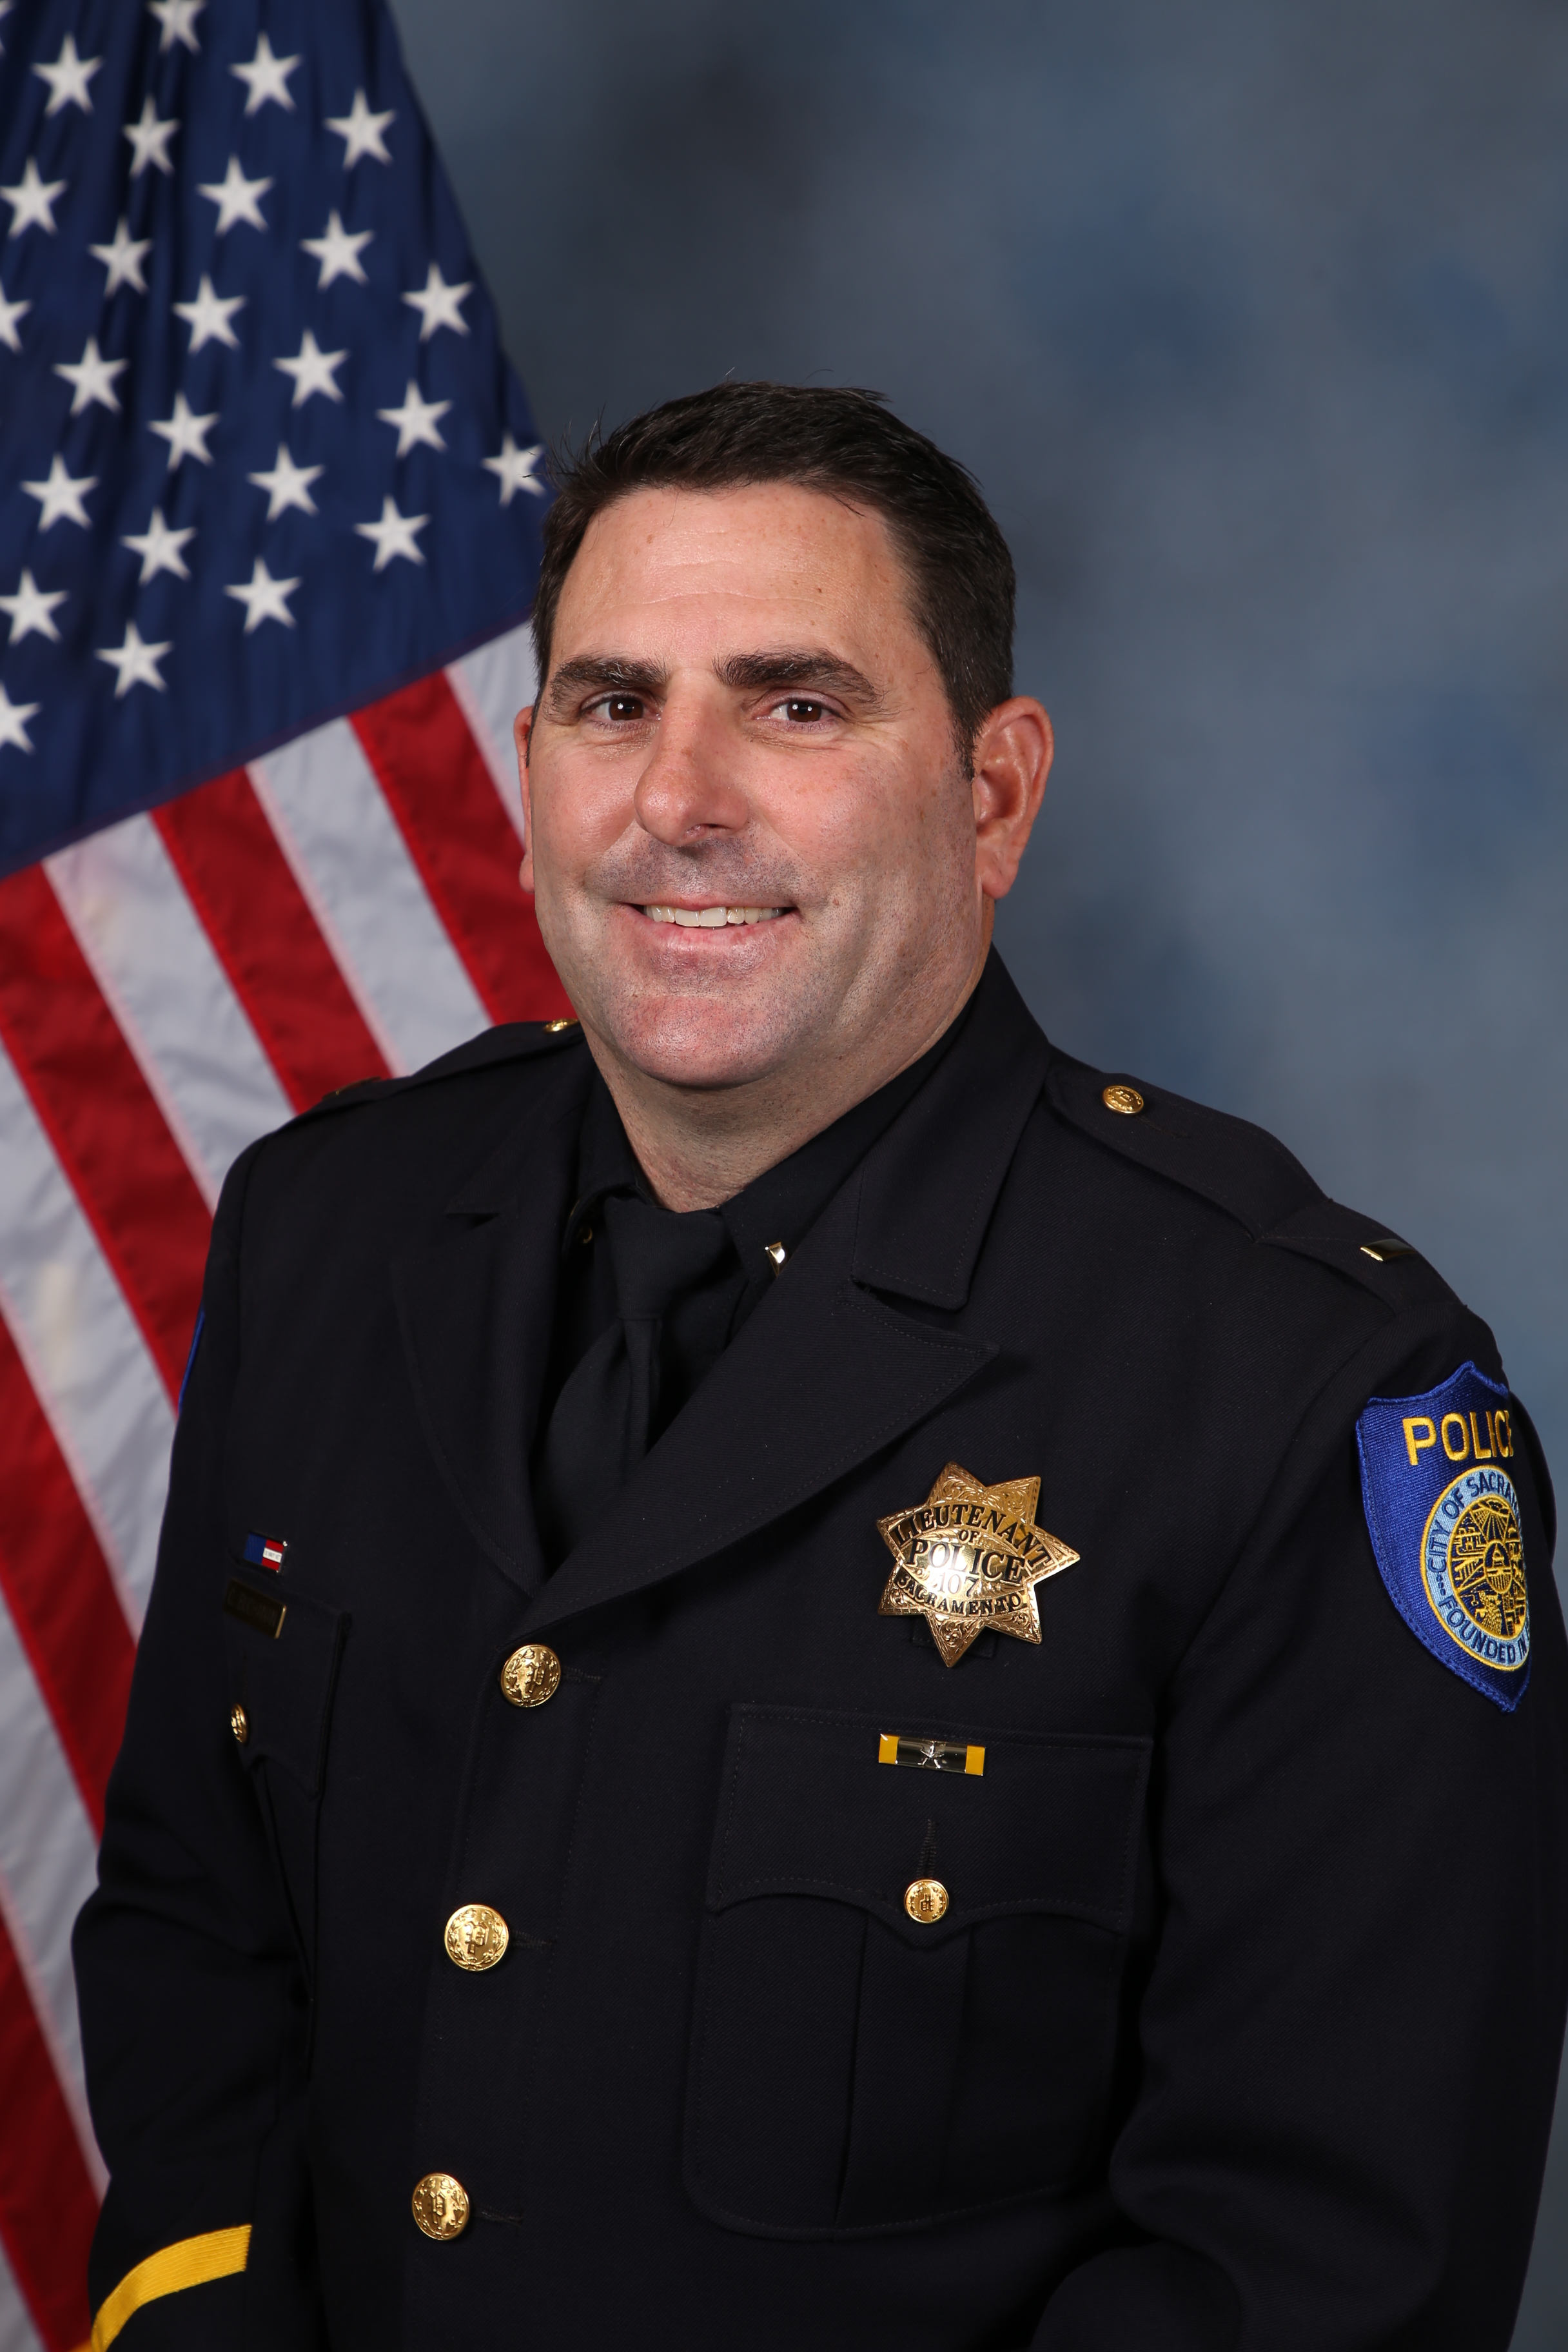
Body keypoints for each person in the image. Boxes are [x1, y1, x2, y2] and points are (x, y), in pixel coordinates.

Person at [75, 381, 1568, 2352]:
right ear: (526, 767)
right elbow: (200, 1937)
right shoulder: (332, 1235)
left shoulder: (1305, 1394)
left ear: (995, 791)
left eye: (795, 706)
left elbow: (1312, 2271)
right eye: (613, 705)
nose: (679, 800)